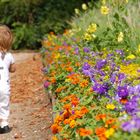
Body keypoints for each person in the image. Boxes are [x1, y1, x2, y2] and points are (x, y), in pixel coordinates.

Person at [0, 25, 16, 134]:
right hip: (4, 88)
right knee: (3, 105)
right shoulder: (9, 56)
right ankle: (4, 124)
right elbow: (13, 69)